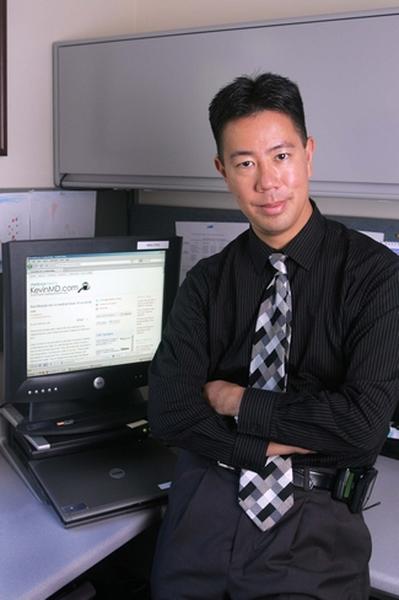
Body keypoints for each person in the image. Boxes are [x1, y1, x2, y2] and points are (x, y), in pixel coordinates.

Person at [147, 72, 399, 599]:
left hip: (314, 527)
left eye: (280, 156)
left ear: (308, 153)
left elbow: (361, 428)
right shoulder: (207, 282)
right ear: (223, 171)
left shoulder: (376, 276)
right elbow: (171, 412)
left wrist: (238, 400)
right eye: (245, 164)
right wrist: (283, 438)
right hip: (200, 517)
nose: (267, 182)